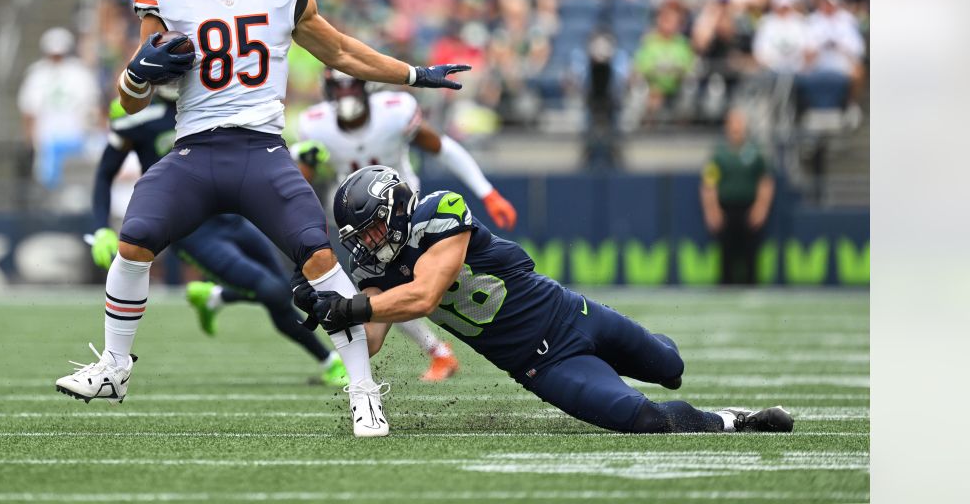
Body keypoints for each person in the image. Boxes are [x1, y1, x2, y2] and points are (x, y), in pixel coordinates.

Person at [53, 0, 469, 438]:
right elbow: (131, 102)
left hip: (261, 150)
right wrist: (137, 75)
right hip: (195, 151)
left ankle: (364, 393)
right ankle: (114, 368)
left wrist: (414, 74)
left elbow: (340, 51)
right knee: (134, 240)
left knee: (320, 259)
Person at [296, 165, 794, 435]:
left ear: (397, 207)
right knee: (643, 418)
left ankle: (638, 355)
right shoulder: (374, 267)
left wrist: (349, 307)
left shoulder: (440, 210)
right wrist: (327, 305)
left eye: (374, 227)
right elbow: (374, 339)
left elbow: (425, 294)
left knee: (670, 365)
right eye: (360, 235)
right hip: (541, 365)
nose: (368, 242)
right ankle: (733, 420)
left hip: (572, 313)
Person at [89, 91, 348, 387]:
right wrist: (100, 227)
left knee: (283, 291)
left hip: (233, 214)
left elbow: (252, 144)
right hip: (192, 229)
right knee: (272, 291)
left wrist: (297, 155)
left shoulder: (217, 92)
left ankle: (216, 297)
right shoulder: (136, 111)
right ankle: (330, 361)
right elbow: (104, 173)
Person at [292, 69, 521, 381]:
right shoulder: (315, 124)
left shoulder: (394, 112)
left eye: (352, 86)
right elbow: (300, 179)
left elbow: (441, 146)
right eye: (338, 88)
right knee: (383, 286)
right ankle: (430, 352)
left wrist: (487, 191)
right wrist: (303, 160)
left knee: (399, 285)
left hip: (403, 213)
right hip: (358, 226)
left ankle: (437, 351)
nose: (346, 95)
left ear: (365, 86)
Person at [17, 28, 101, 189]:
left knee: (77, 184)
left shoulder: (80, 72)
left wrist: (91, 132)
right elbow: (29, 111)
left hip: (77, 136)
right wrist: (29, 142)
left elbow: (92, 107)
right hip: (46, 140)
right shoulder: (37, 74)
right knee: (49, 183)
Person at [700, 109, 775, 285]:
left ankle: (751, 285)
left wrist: (761, 207)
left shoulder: (755, 152)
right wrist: (712, 210)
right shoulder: (719, 154)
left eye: (739, 124)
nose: (737, 128)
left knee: (750, 251)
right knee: (726, 251)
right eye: (733, 124)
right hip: (726, 208)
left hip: (749, 208)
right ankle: (725, 286)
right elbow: (709, 184)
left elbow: (765, 181)